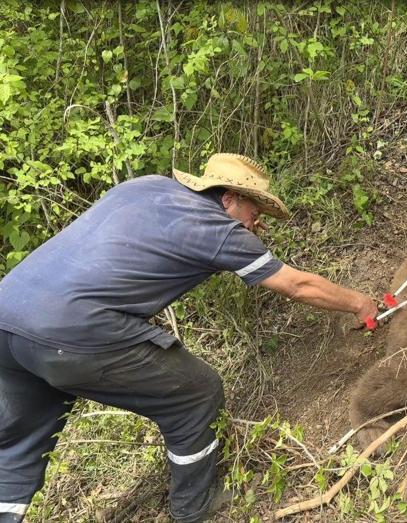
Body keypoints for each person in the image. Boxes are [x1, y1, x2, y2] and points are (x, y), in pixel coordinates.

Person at [0, 153, 379, 523]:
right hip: (73, 329)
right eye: (254, 214)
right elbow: (296, 285)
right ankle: (195, 506)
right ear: (229, 198)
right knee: (196, 393)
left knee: (18, 445)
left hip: (8, 317)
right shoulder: (217, 229)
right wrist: (360, 303)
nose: (256, 224)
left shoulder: (145, 186)